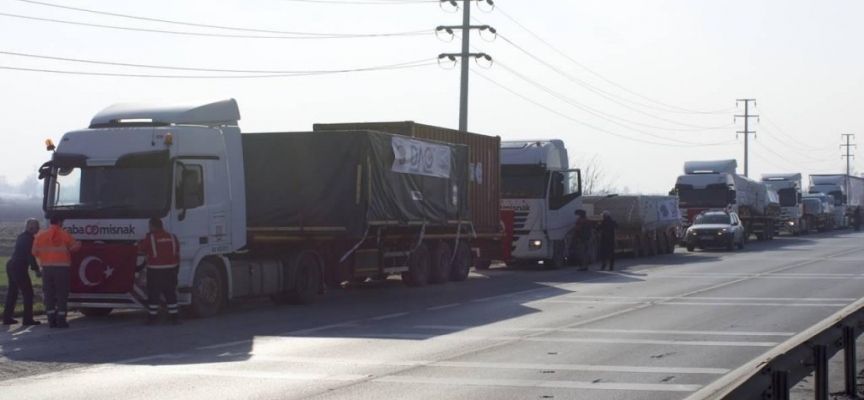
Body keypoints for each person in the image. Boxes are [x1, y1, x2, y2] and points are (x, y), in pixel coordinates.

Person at [32, 215, 81, 328]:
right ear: (59, 222)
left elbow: (34, 252)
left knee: (49, 294)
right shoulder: (65, 235)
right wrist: (79, 243)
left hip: (46, 269)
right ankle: (61, 320)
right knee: (61, 295)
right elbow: (74, 248)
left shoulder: (40, 236)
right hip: (62, 269)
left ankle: (51, 320)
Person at [137, 218, 181, 325]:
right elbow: (177, 253)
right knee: (171, 294)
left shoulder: (150, 238)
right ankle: (174, 318)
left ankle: (152, 318)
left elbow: (141, 250)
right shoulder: (173, 237)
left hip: (155, 272)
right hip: (171, 271)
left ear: (153, 226)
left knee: (153, 295)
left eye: (150, 226)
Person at [3, 219, 42, 326]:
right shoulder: (28, 239)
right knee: (28, 293)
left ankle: (7, 317)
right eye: (37, 227)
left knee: (13, 292)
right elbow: (30, 256)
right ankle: (27, 319)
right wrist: (37, 270)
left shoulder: (22, 236)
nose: (39, 229)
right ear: (31, 228)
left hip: (12, 264)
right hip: (19, 267)